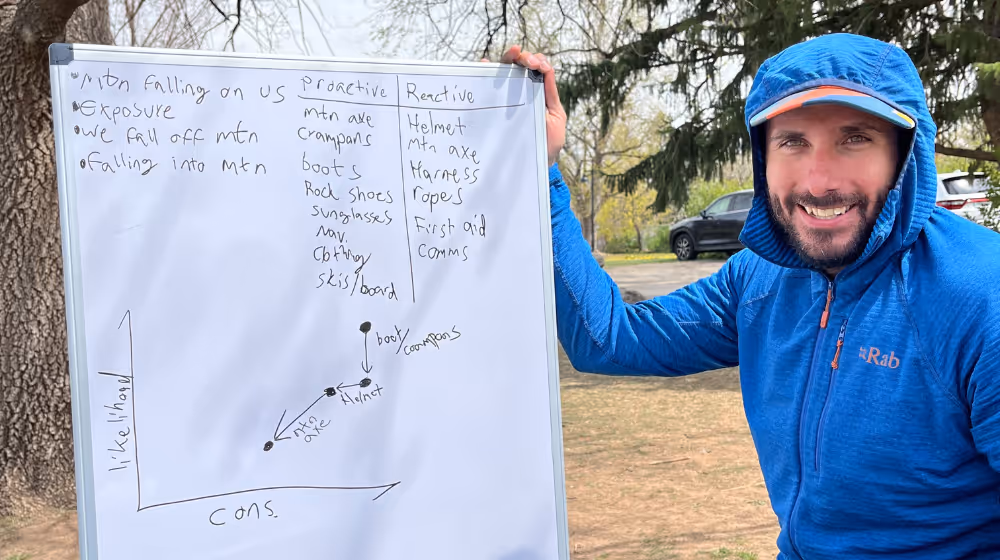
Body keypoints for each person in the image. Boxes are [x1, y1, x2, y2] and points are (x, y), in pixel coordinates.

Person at [499, 33, 1000, 559]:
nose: (819, 180)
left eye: (855, 138)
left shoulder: (979, 294)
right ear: (764, 157)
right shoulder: (760, 279)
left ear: (905, 154)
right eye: (793, 142)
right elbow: (609, 340)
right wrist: (542, 170)